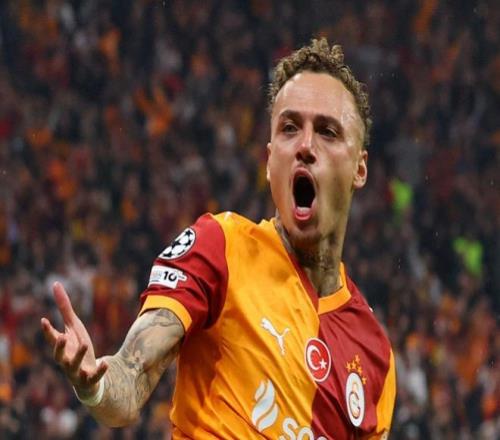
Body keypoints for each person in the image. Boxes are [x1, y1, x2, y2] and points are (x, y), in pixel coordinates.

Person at [41, 38, 396, 439]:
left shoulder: (375, 353)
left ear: (360, 169)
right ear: (269, 161)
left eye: (327, 132)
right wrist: (96, 385)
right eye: (289, 128)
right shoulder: (221, 247)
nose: (305, 146)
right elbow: (129, 381)